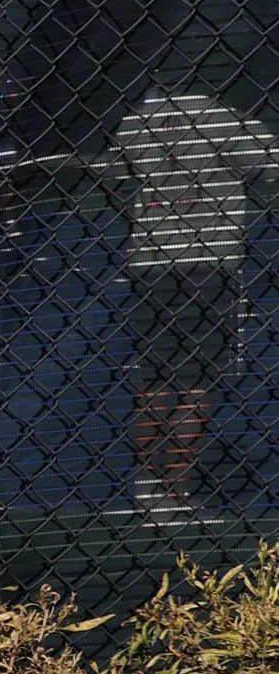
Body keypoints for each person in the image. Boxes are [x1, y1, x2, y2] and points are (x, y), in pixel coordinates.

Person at [108, 69, 279, 520]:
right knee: (197, 377)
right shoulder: (220, 117)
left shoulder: (136, 123)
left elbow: (114, 179)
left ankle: (147, 482)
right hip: (210, 262)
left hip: (150, 262)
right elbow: (268, 165)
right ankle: (177, 488)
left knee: (155, 373)